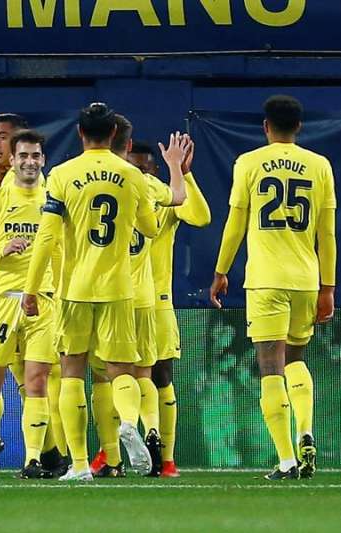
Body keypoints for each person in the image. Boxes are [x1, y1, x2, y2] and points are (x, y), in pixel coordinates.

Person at [23, 102, 159, 481]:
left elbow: (47, 237)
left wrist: (31, 289)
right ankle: (129, 422)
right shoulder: (131, 175)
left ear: (80, 134)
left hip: (75, 289)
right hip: (119, 287)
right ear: (114, 134)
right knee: (121, 371)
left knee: (71, 373)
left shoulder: (63, 174)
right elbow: (148, 227)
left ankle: (80, 464)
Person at [211, 94, 336, 480]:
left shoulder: (248, 163)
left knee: (270, 368)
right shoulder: (320, 166)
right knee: (297, 360)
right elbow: (327, 232)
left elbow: (235, 223)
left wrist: (220, 271)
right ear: (298, 127)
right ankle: (306, 430)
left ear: (266, 126)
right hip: (304, 279)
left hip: (265, 280)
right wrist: (327, 286)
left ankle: (285, 460)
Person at [89, 116, 187, 478]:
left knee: (110, 375)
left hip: (107, 291)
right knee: (146, 371)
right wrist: (176, 167)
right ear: (127, 145)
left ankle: (118, 440)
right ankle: (150, 431)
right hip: (145, 294)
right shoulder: (143, 182)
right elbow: (177, 197)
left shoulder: (81, 177)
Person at [0, 129, 59, 479]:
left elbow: (62, 249)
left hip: (43, 301)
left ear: (43, 160)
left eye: (35, 156)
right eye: (23, 156)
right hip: (1, 303)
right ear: (14, 160)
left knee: (37, 381)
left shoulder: (53, 199)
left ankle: (32, 459)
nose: (30, 162)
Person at [132, 140, 211, 478]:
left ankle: (166, 458)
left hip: (158, 300)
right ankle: (112, 456)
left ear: (155, 168)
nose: (139, 173)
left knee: (160, 375)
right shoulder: (122, 195)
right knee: (116, 377)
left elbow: (200, 217)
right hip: (122, 299)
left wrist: (183, 173)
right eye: (133, 166)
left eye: (144, 167)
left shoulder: (167, 195)